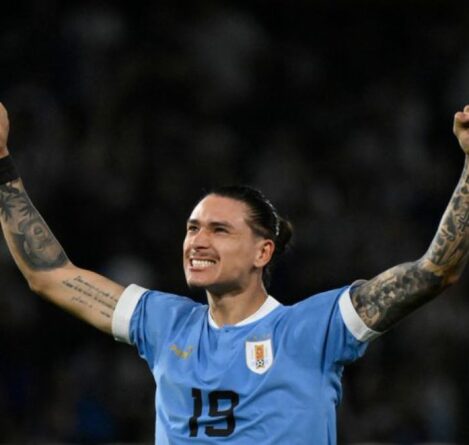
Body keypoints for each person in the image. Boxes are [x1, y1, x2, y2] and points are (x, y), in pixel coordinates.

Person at [1, 101, 469, 444]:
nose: (198, 241)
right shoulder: (164, 323)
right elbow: (50, 274)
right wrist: (2, 163)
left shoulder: (314, 328)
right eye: (192, 228)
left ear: (263, 251)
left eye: (219, 230)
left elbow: (434, 271)